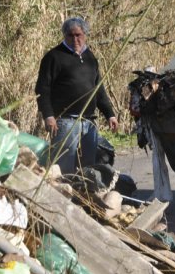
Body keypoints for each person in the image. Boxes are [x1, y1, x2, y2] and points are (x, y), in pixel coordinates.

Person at [35, 17, 119, 174]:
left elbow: (98, 90)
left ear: (85, 34)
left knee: (88, 168)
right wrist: (48, 115)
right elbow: (42, 89)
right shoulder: (53, 57)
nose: (75, 39)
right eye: (70, 35)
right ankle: (62, 195)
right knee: (63, 167)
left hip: (89, 122)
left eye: (78, 35)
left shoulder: (90, 58)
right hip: (65, 121)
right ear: (64, 35)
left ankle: (84, 196)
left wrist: (110, 114)